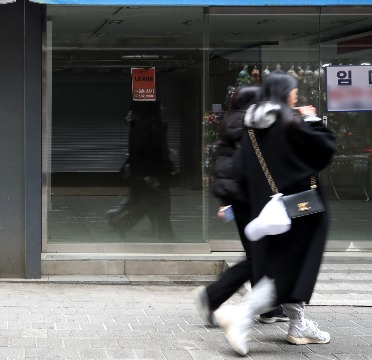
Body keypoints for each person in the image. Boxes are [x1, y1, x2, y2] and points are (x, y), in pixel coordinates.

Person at [215, 72, 337, 356]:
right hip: (300, 210)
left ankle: (297, 324)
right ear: (284, 92)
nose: (296, 95)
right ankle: (243, 316)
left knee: (282, 270)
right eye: (293, 90)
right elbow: (325, 149)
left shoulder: (252, 128)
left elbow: (241, 170)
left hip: (269, 210)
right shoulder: (290, 122)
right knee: (289, 271)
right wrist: (312, 120)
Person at [196, 85, 289, 326]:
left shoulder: (233, 124)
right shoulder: (251, 126)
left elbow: (224, 168)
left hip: (240, 200)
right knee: (260, 257)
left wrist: (226, 202)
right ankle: (212, 295)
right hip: (254, 200)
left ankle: (268, 308)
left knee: (258, 254)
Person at [106, 100, 175, 240]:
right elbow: (141, 151)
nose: (163, 108)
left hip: (154, 173)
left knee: (151, 204)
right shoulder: (147, 127)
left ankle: (164, 233)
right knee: (156, 204)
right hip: (152, 175)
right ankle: (164, 233)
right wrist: (147, 174)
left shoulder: (151, 125)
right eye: (160, 105)